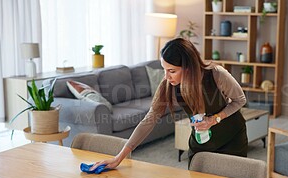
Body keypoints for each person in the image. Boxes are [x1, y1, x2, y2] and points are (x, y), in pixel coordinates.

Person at [90, 38, 248, 170]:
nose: (166, 76)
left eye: (172, 71)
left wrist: (215, 119)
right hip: (202, 144)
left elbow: (240, 100)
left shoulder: (216, 74)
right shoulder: (169, 85)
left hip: (231, 140)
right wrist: (119, 157)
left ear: (188, 68)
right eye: (164, 70)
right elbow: (150, 119)